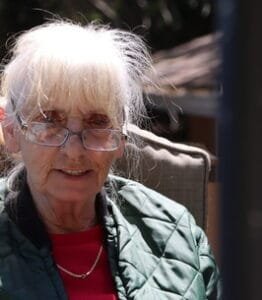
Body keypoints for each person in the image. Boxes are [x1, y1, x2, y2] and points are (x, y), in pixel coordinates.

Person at [0, 20, 221, 300]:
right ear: (11, 131)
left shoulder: (178, 234)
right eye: (49, 121)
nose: (74, 152)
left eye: (98, 122)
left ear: (122, 137)